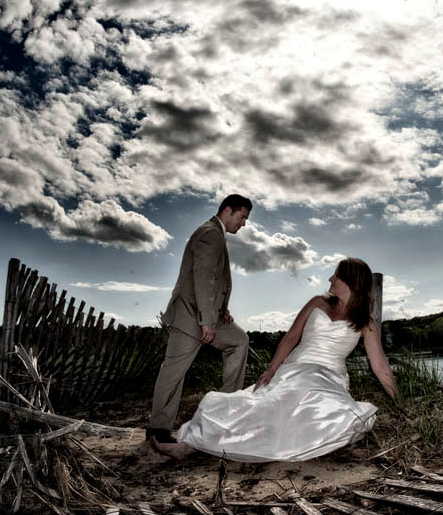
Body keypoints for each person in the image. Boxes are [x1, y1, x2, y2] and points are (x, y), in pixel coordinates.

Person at [151, 257, 398, 462]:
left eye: (336, 276)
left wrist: (398, 402)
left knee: (298, 408)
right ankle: (189, 446)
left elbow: (380, 367)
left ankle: (194, 447)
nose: (330, 279)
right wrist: (271, 370)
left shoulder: (366, 323)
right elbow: (291, 338)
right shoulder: (318, 302)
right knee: (262, 404)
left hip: (328, 377)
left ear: (351, 281)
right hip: (294, 368)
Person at [146, 194, 253, 444]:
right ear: (227, 210)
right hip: (190, 315)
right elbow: (202, 278)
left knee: (239, 341)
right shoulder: (210, 233)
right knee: (173, 371)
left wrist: (222, 308)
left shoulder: (217, 235)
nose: (244, 223)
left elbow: (214, 281)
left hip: (209, 314)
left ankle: (225, 410)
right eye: (242, 217)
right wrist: (206, 320)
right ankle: (157, 428)